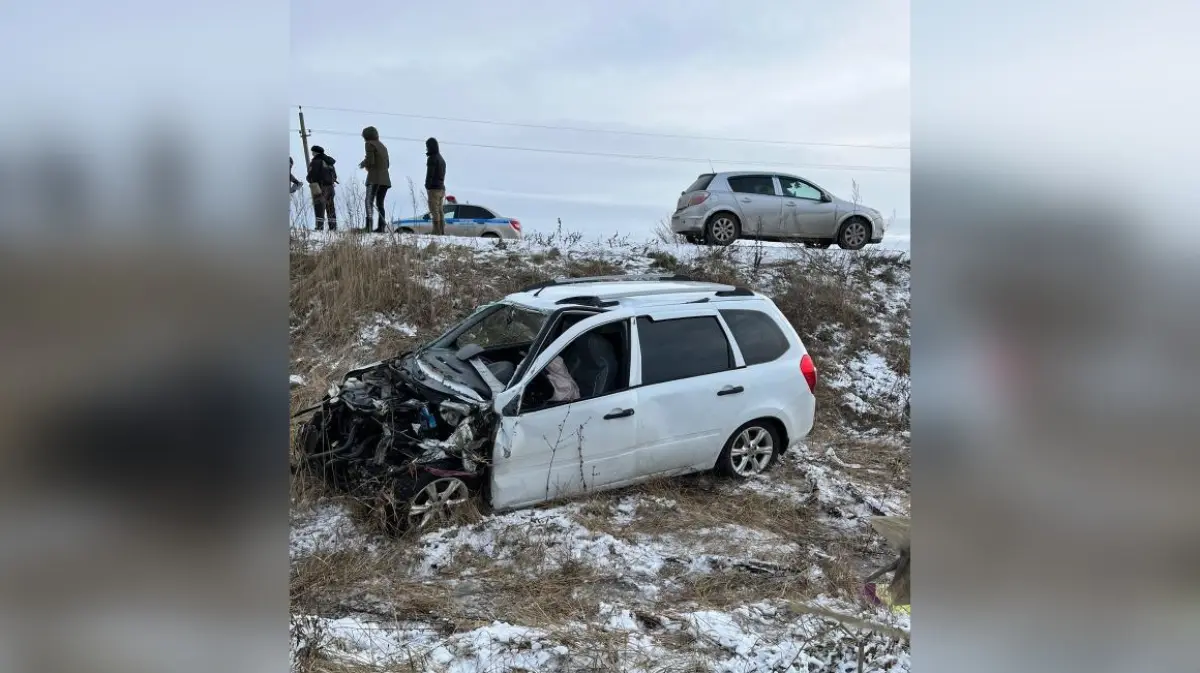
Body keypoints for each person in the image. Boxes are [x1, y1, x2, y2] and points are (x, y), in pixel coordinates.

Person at [358, 126, 391, 233]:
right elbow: (387, 164)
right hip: (385, 180)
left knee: (368, 202)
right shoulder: (383, 146)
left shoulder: (369, 144)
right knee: (380, 204)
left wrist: (363, 164)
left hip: (374, 179)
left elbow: (370, 161)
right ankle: (381, 227)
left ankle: (369, 226)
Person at [306, 146, 338, 231]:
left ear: (315, 152)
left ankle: (319, 228)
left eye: (312, 151)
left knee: (319, 207)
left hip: (321, 187)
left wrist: (309, 179)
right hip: (331, 188)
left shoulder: (316, 162)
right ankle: (333, 228)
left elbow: (311, 176)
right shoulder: (329, 162)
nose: (312, 153)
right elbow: (335, 176)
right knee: (330, 208)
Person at [424, 137, 447, 235]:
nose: (426, 149)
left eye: (427, 146)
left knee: (434, 210)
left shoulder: (432, 158)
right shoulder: (441, 159)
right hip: (441, 188)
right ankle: (441, 231)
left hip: (434, 188)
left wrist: (427, 185)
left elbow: (430, 174)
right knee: (440, 210)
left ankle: (436, 231)